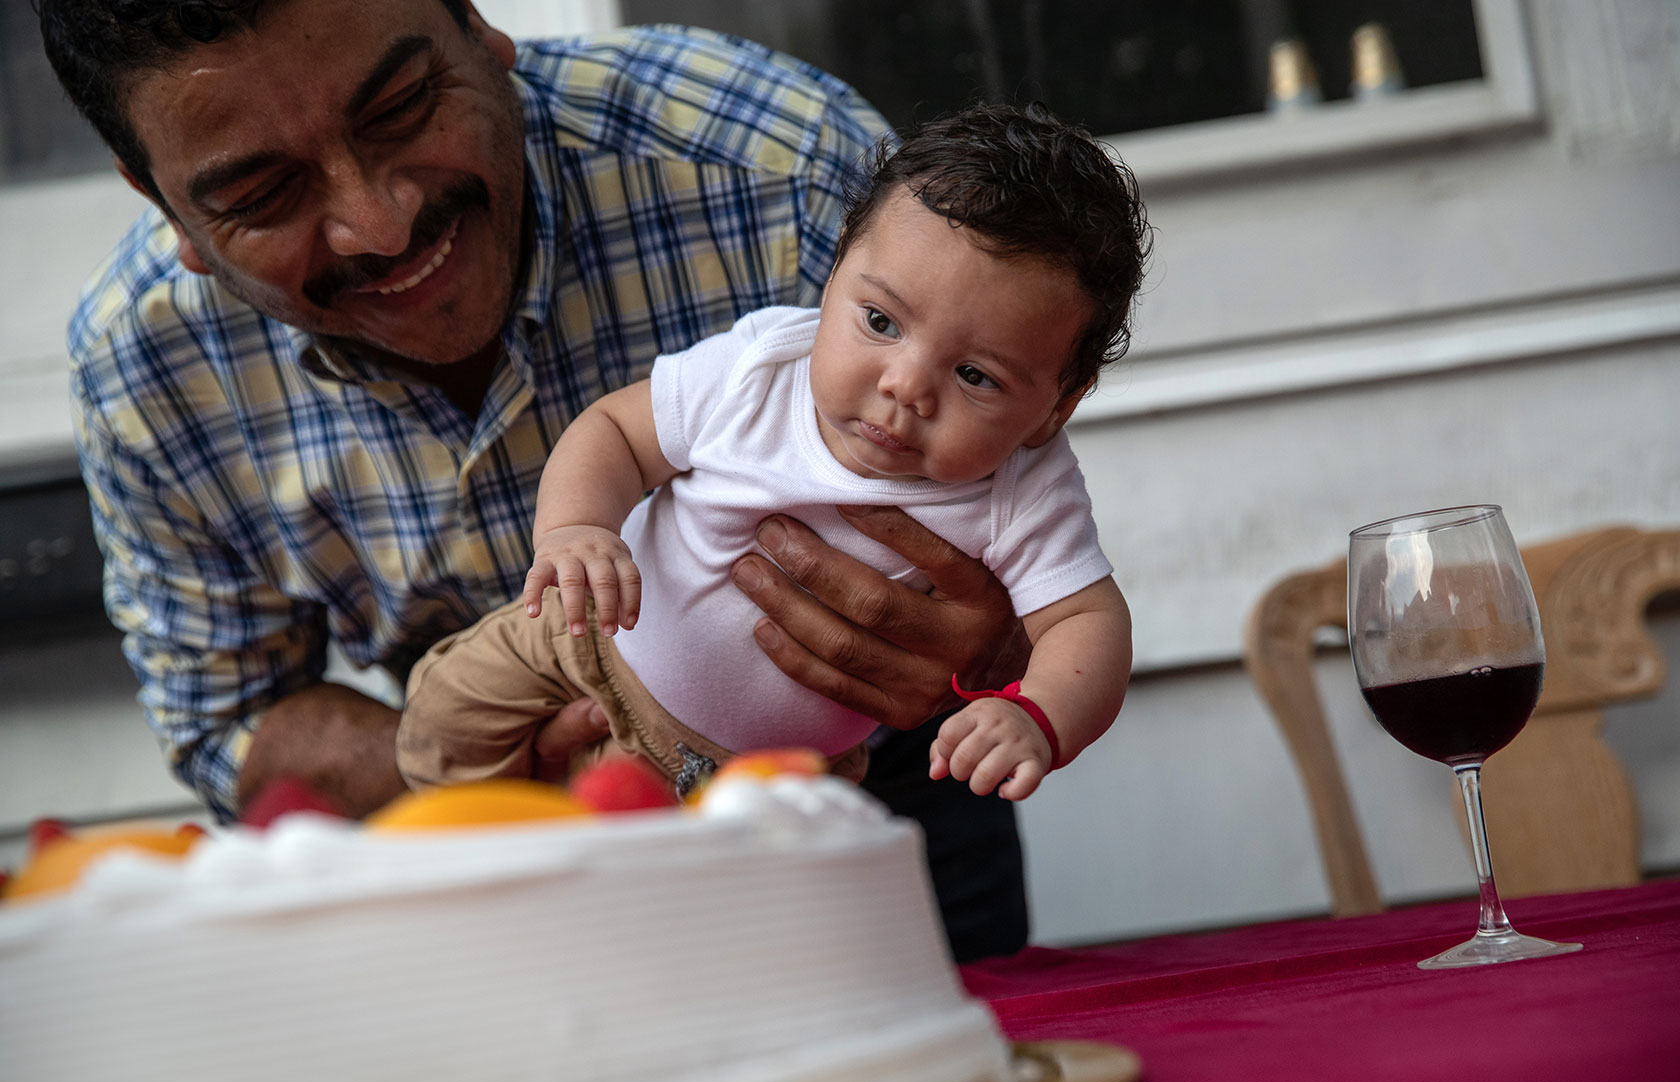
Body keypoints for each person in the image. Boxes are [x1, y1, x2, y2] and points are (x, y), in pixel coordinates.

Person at [35, 0, 1078, 960]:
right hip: (467, 842)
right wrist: (487, 770)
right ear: (161, 197)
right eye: (263, 193)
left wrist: (988, 654)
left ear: (482, 30)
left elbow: (1025, 552)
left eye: (401, 108)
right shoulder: (146, 367)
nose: (381, 223)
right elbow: (232, 721)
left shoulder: (785, 165)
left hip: (858, 793)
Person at [397, 104, 1142, 806]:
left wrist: (1039, 715)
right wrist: (575, 529)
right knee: (443, 721)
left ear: (1056, 406)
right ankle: (467, 859)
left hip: (759, 778)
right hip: (585, 641)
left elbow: (1088, 622)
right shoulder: (764, 365)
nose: (906, 385)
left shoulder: (1025, 490)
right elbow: (616, 433)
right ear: (833, 274)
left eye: (975, 375)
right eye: (880, 320)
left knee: (658, 903)